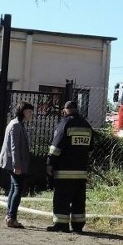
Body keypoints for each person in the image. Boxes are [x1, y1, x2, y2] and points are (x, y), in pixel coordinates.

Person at [46, 100, 93, 233]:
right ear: (76, 109)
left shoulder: (64, 124)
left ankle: (61, 225)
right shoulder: (86, 125)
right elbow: (90, 149)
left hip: (64, 171)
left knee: (62, 198)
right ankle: (78, 225)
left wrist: (50, 163)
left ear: (65, 110)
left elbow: (56, 147)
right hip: (81, 172)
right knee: (79, 199)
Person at [0, 101, 34, 228]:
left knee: (14, 188)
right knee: (18, 188)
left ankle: (9, 215)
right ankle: (12, 218)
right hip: (15, 164)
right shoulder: (16, 125)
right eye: (29, 112)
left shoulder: (17, 124)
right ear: (23, 111)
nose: (31, 115)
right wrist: (16, 165)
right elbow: (14, 147)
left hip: (14, 163)